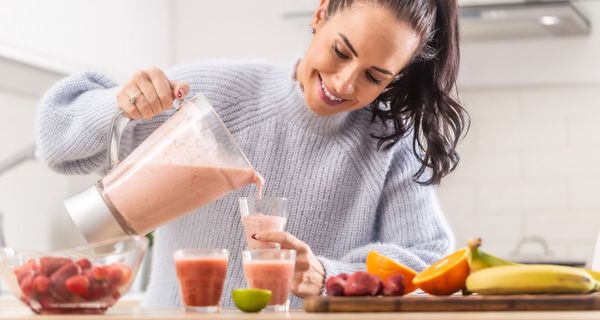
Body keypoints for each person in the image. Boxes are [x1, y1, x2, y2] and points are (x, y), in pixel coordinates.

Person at [35, 0, 468, 308]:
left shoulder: (389, 142)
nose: (344, 84)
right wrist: (120, 103)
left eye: (374, 76)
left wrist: (328, 275)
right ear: (320, 14)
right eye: (340, 52)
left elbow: (428, 259)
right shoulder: (214, 94)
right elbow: (55, 142)